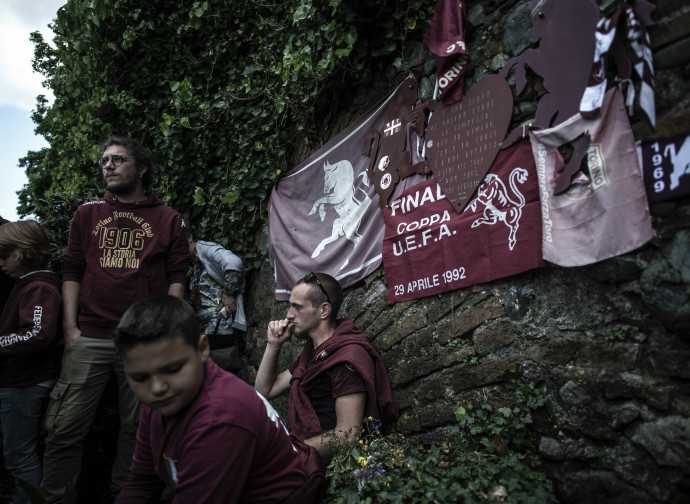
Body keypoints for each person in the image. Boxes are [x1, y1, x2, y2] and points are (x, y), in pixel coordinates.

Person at [41, 136, 190, 503]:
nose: (108, 165)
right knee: (62, 429)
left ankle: (125, 496)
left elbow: (177, 277)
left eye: (118, 159)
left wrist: (167, 332)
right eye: (104, 161)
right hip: (89, 335)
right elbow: (72, 270)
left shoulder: (168, 219)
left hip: (143, 340)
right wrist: (70, 328)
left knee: (140, 430)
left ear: (141, 168)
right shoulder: (86, 214)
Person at [113, 295, 325, 504]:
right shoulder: (166, 398)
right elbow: (141, 482)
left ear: (203, 348)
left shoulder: (222, 418)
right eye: (140, 377)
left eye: (173, 369)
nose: (157, 388)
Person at [255, 272, 398, 459]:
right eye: (290, 306)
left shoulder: (346, 357)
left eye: (297, 307)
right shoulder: (313, 354)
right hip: (302, 451)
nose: (289, 315)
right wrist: (273, 345)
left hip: (324, 466)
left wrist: (288, 451)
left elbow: (347, 437)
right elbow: (264, 391)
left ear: (324, 310)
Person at [0, 220, 62, 504]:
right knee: (19, 454)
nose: (0, 262)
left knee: (19, 458)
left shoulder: (39, 287)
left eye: (5, 255)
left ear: (24, 251)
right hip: (21, 380)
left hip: (25, 382)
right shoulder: (28, 283)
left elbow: (38, 334)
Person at [186, 221, 246, 372]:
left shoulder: (205, 249)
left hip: (218, 327)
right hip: (204, 329)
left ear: (189, 237)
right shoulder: (193, 260)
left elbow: (234, 263)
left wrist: (228, 293)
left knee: (219, 377)